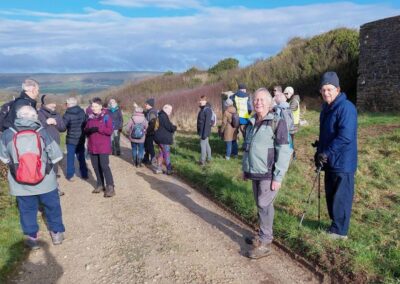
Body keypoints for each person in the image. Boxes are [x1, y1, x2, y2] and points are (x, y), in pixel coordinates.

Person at [0, 106, 65, 249]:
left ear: (18, 116)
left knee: (27, 210)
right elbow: (57, 155)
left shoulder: (6, 134)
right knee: (52, 207)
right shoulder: (43, 132)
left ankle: (32, 238)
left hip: (20, 183)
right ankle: (56, 233)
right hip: (46, 181)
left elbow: (4, 158)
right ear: (34, 116)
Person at [242, 88, 292, 259]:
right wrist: (245, 168)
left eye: (262, 99)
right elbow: (247, 148)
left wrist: (278, 176)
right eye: (256, 99)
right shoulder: (251, 122)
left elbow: (284, 151)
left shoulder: (276, 122)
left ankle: (265, 242)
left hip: (268, 173)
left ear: (270, 103)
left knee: (264, 205)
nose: (258, 102)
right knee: (260, 204)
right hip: (254, 171)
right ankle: (263, 233)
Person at [315, 71, 357, 240]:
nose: (326, 93)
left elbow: (345, 136)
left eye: (330, 89)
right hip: (329, 160)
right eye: (323, 89)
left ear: (338, 89)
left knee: (341, 197)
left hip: (343, 162)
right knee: (331, 195)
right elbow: (327, 133)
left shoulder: (346, 108)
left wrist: (327, 151)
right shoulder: (326, 108)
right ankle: (335, 225)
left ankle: (340, 232)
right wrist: (319, 150)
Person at [85, 97, 115, 197]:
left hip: (103, 146)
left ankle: (110, 187)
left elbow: (109, 131)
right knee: (96, 167)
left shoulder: (106, 116)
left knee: (104, 166)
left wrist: (98, 128)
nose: (93, 108)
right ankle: (100, 184)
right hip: (92, 146)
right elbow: (86, 129)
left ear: (101, 106)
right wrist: (88, 130)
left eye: (96, 106)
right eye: (92, 106)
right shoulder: (89, 117)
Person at [38, 95, 66, 195]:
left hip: (55, 144)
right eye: (52, 103)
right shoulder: (39, 114)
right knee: (45, 168)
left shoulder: (56, 114)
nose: (54, 105)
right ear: (46, 104)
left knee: (54, 167)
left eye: (55, 103)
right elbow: (36, 128)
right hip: (43, 145)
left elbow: (63, 128)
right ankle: (45, 191)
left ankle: (55, 188)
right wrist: (46, 122)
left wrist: (56, 123)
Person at [63, 97, 88, 181]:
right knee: (81, 156)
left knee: (70, 157)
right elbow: (85, 123)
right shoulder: (82, 112)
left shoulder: (67, 114)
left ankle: (70, 175)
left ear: (69, 104)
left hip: (71, 138)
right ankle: (84, 174)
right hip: (81, 137)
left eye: (66, 103)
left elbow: (63, 127)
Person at [153, 104, 177, 175]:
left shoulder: (160, 115)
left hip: (159, 138)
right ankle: (169, 169)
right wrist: (174, 127)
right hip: (164, 139)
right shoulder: (164, 116)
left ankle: (159, 169)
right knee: (166, 154)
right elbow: (169, 127)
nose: (170, 112)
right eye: (170, 110)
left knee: (161, 153)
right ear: (166, 109)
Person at [284, 86, 301, 160]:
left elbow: (289, 110)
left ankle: (292, 156)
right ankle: (292, 155)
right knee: (290, 140)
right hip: (293, 123)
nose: (285, 95)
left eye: (286, 93)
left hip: (293, 124)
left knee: (290, 141)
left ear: (290, 93)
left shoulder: (294, 101)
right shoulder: (293, 100)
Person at [196, 95, 213, 166]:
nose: (200, 102)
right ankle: (209, 158)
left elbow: (207, 123)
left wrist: (204, 134)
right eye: (200, 100)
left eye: (201, 100)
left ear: (205, 101)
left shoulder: (207, 110)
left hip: (204, 131)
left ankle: (202, 161)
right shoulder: (203, 109)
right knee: (206, 145)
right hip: (202, 131)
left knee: (202, 145)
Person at [143, 98, 158, 164]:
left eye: (146, 104)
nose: (145, 105)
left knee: (150, 146)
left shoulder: (152, 112)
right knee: (146, 145)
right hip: (149, 131)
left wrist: (147, 131)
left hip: (151, 132)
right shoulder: (149, 111)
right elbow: (146, 113)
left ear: (150, 105)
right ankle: (146, 159)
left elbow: (152, 124)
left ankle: (153, 159)